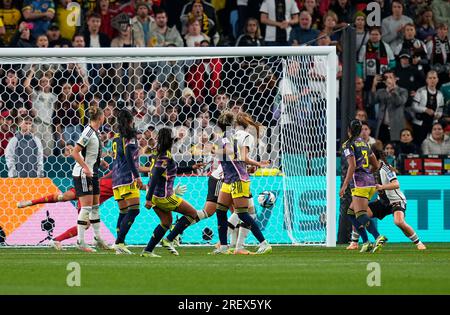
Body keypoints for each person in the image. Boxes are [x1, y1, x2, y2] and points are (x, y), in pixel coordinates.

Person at [212, 111, 272, 255]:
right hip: (228, 179)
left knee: (242, 213)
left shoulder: (229, 139)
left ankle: (264, 243)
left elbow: (236, 155)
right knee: (220, 211)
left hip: (238, 179)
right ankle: (224, 247)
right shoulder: (225, 139)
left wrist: (256, 163)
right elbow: (235, 158)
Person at [141, 128, 206, 257]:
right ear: (171, 140)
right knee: (192, 213)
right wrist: (147, 199)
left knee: (166, 222)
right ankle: (169, 239)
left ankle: (148, 251)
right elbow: (154, 176)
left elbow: (171, 170)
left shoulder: (159, 153)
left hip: (155, 196)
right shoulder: (165, 156)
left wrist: (191, 168)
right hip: (163, 197)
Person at [348, 149, 426, 250]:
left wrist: (382, 187)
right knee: (359, 213)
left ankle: (419, 243)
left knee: (399, 222)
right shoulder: (368, 170)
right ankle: (354, 243)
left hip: (396, 201)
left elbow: (396, 184)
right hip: (382, 202)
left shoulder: (386, 169)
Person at [340, 119, 387, 253]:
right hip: (370, 183)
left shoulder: (348, 144)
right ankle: (366, 242)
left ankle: (378, 237)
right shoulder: (365, 143)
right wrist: (367, 173)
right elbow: (376, 165)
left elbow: (352, 165)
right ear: (360, 130)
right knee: (350, 213)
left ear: (349, 130)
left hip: (359, 184)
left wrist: (344, 186)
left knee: (360, 215)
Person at [72, 106, 110, 252]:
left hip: (93, 173)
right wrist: (85, 168)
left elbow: (91, 153)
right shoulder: (88, 132)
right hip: (83, 173)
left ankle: (98, 238)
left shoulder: (95, 132)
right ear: (101, 118)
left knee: (95, 207)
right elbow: (75, 152)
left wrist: (100, 162)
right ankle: (80, 241)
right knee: (87, 207)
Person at [111, 110, 143, 254]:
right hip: (127, 178)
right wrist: (137, 176)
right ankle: (119, 242)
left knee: (123, 212)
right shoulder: (130, 136)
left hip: (116, 179)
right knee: (134, 210)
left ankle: (119, 244)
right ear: (130, 121)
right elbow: (129, 157)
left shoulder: (116, 137)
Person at [369, 70, 408, 144]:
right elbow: (372, 101)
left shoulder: (403, 91)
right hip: (382, 126)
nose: (388, 79)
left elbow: (399, 102)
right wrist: (374, 85)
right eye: (386, 77)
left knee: (395, 148)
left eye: (390, 77)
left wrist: (392, 90)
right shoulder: (381, 91)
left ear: (395, 79)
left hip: (396, 126)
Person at [410, 70, 445, 145]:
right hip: (419, 124)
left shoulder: (440, 94)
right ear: (426, 80)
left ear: (437, 80)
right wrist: (425, 110)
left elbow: (440, 110)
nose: (432, 80)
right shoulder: (420, 91)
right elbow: (413, 107)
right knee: (419, 144)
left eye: (434, 78)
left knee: (431, 145)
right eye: (430, 78)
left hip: (432, 124)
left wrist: (438, 115)